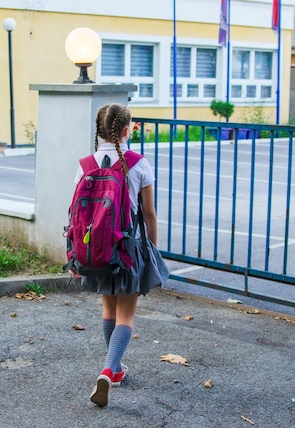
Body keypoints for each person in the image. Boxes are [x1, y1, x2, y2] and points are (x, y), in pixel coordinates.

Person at [69, 103, 168, 407]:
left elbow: (74, 213)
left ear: (98, 131)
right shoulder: (139, 164)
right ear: (127, 131)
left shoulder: (85, 164)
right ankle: (110, 369)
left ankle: (115, 369)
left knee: (108, 309)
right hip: (128, 250)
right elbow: (149, 214)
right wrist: (150, 250)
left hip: (95, 251)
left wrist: (74, 251)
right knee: (127, 313)